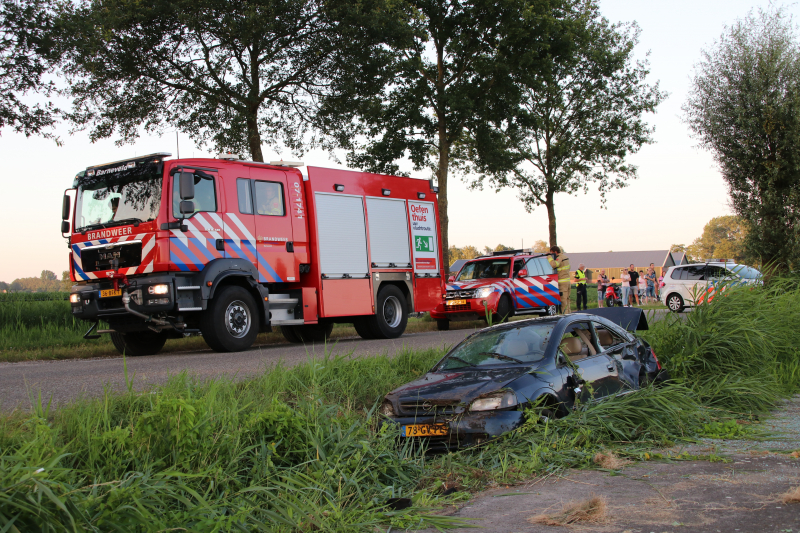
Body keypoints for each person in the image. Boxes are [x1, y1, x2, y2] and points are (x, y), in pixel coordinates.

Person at [548, 246, 571, 314]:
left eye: (552, 253)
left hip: (562, 283)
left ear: (555, 252)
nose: (552, 255)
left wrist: (549, 257)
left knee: (563, 301)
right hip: (567, 282)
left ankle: (565, 316)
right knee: (567, 300)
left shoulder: (560, 258)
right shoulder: (565, 257)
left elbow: (554, 265)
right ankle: (569, 314)